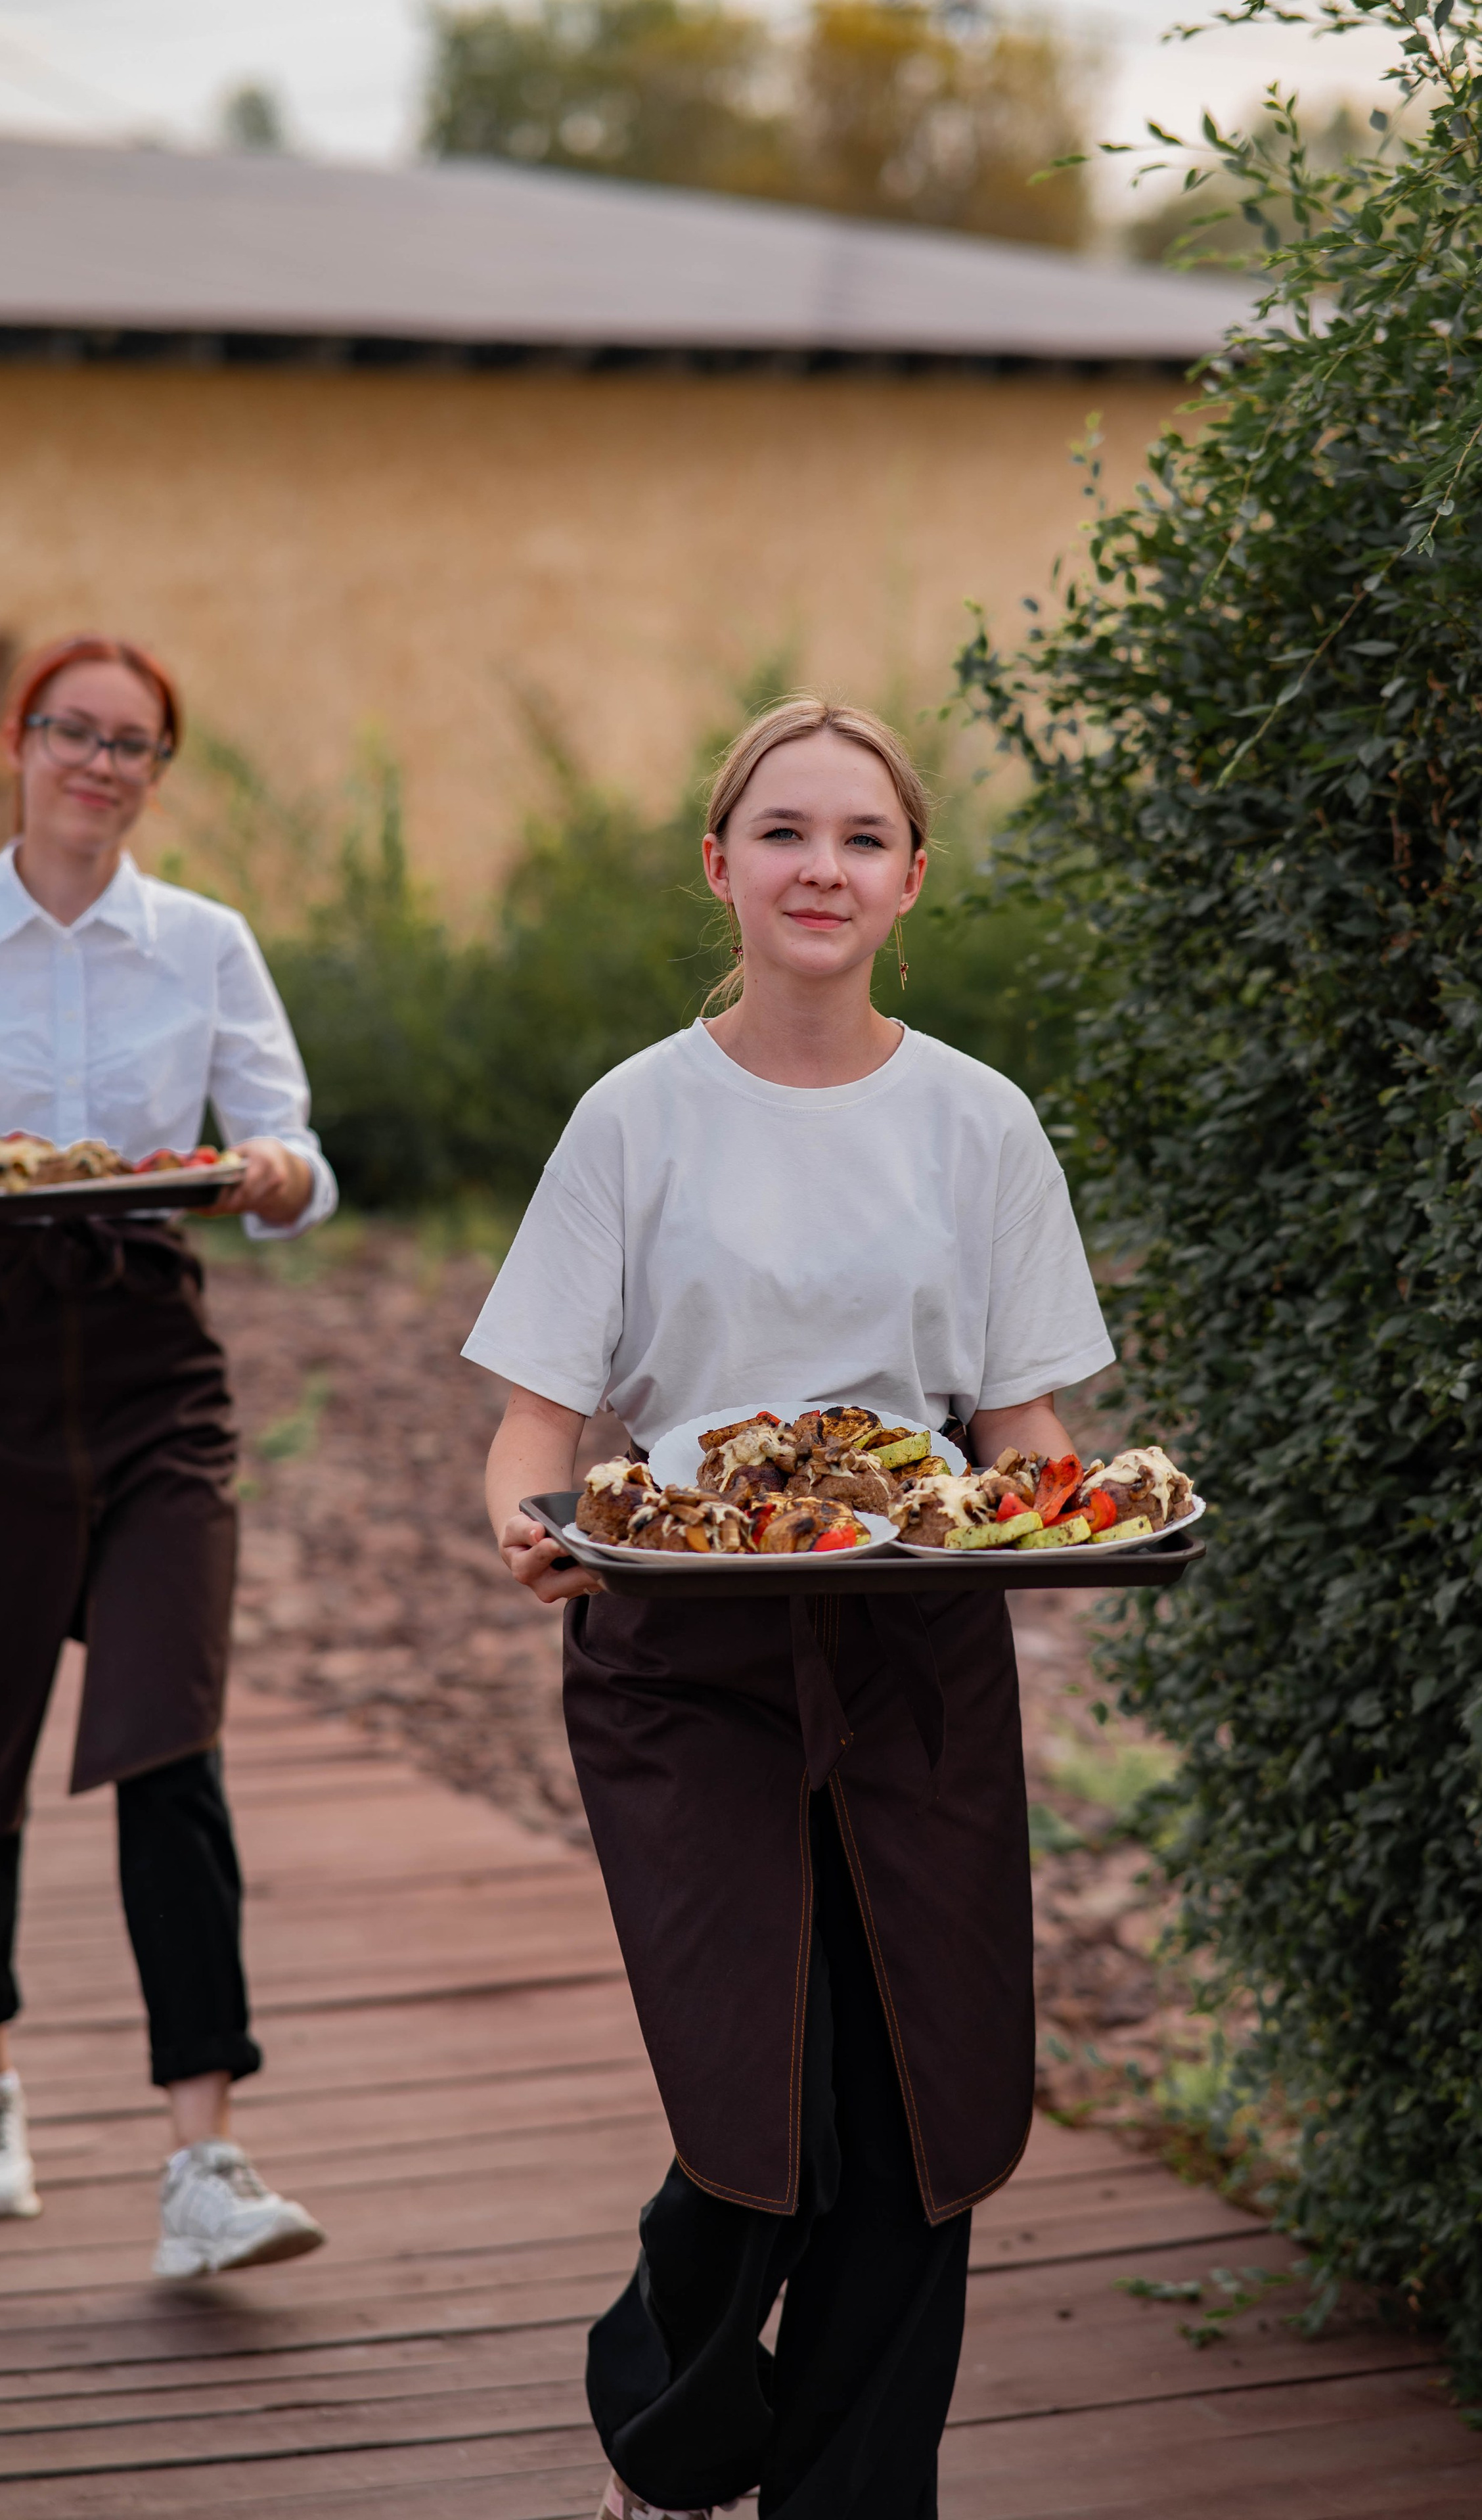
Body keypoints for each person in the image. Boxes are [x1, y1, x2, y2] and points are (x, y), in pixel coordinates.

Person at [462, 697, 1115, 2520]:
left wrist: (1085, 1516)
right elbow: (535, 1423)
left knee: (921, 2113)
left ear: (909, 878)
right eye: (783, 831)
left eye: (858, 837)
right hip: (684, 1656)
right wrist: (530, 1526)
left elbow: (1022, 1427)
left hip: (916, 1651)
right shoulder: (634, 1117)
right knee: (762, 2109)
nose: (820, 867)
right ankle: (668, 2423)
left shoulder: (979, 1120)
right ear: (719, 865)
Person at [0, 634, 336, 2278]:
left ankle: (204, 2159)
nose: (99, 764)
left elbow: (289, 1146)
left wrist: (269, 1175)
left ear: (156, 772)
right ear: (17, 742)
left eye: (132, 743)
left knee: (169, 1732)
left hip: (146, 1354)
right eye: (73, 732)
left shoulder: (206, 942)